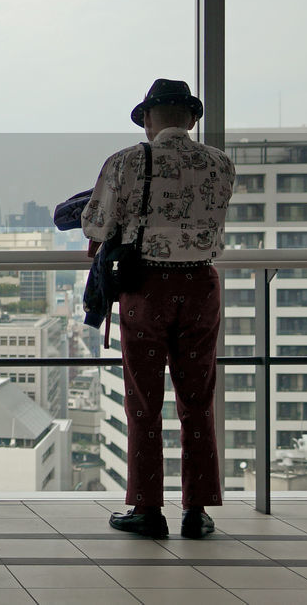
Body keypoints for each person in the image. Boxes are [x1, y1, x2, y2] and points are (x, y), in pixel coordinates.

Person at [82, 79, 234, 539]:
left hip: (146, 288)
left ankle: (148, 508)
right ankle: (197, 510)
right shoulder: (221, 164)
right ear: (191, 119)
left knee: (145, 403)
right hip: (201, 285)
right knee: (197, 400)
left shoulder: (128, 161)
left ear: (148, 118)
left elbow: (95, 222)